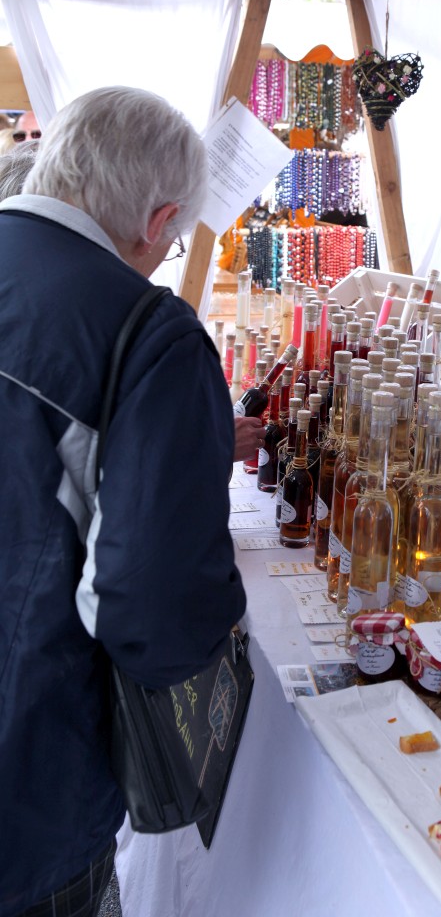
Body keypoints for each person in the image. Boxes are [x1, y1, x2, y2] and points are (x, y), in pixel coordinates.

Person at [0, 87, 247, 917]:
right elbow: (150, 608)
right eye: (173, 244)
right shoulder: (146, 331)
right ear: (158, 220)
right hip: (27, 780)